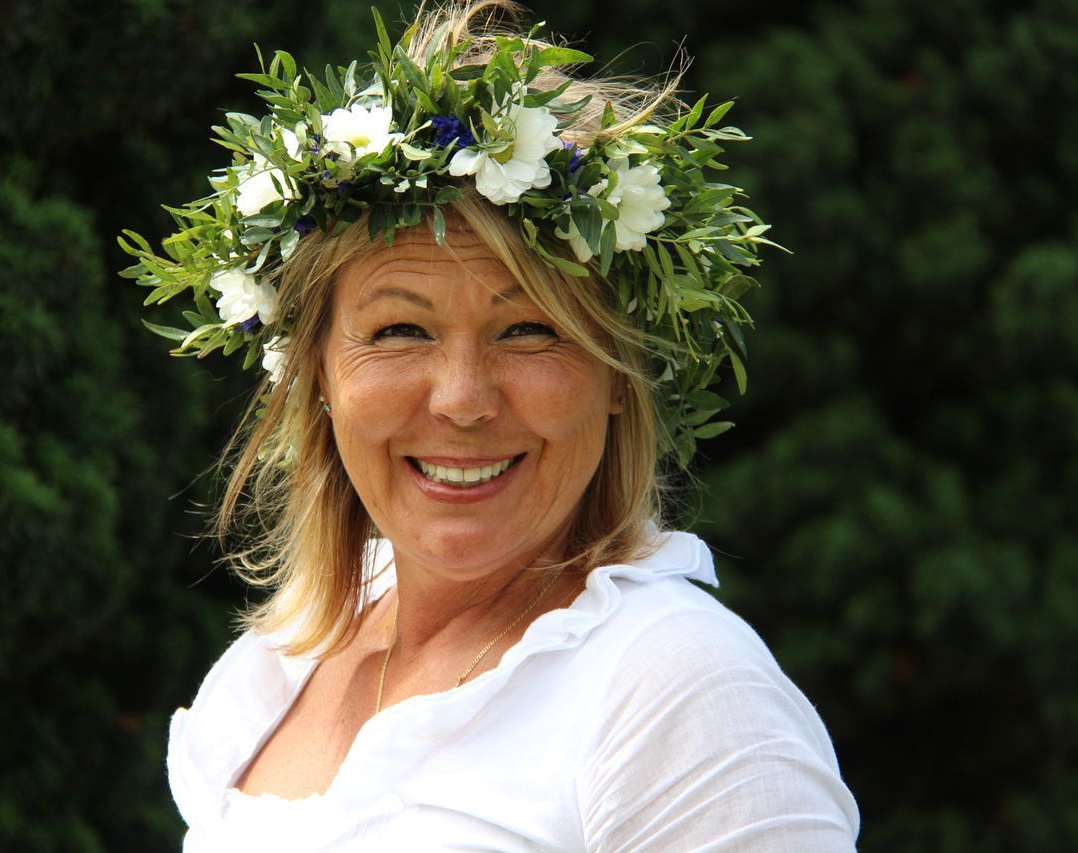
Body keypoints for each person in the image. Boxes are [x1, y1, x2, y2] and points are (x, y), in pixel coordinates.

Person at [124, 1, 860, 848]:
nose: (462, 399)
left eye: (529, 330)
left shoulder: (678, 691)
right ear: (315, 368)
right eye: (401, 329)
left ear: (620, 374)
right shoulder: (285, 657)